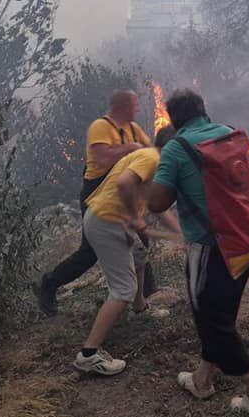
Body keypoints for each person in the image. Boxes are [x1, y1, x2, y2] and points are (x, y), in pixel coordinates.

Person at [147, 89, 249, 410]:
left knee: (210, 318)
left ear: (173, 120)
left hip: (210, 246)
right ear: (203, 110)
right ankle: (203, 379)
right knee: (221, 310)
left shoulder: (177, 149)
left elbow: (158, 202)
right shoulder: (230, 134)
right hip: (247, 239)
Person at [73, 126, 181, 376]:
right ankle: (88, 355)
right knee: (123, 288)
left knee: (140, 253)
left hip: (109, 219)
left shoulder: (152, 160)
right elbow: (123, 183)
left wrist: (179, 234)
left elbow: (157, 206)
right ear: (173, 148)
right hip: (106, 222)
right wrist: (134, 216)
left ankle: (140, 308)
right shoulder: (152, 158)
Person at [35, 90, 152, 316]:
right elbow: (102, 158)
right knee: (89, 252)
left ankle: (145, 295)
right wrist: (130, 149)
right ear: (121, 107)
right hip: (96, 194)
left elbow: (147, 152)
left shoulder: (134, 129)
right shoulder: (101, 127)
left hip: (119, 192)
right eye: (134, 105)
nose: (137, 109)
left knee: (140, 240)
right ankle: (49, 284)